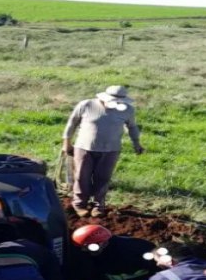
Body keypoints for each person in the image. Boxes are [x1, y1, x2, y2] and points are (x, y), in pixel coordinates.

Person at [61, 86, 144, 218]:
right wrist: (66, 143)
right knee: (82, 177)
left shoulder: (128, 110)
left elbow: (132, 126)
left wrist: (137, 143)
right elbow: (72, 122)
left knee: (103, 178)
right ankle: (79, 205)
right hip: (84, 148)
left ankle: (98, 206)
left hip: (111, 149)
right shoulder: (86, 104)